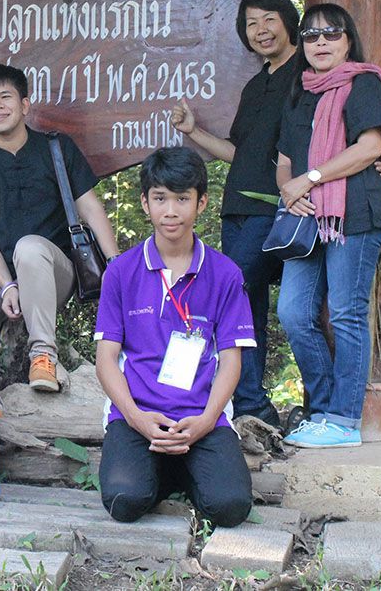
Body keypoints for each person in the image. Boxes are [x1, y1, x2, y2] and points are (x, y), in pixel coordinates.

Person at [94, 146, 255, 526]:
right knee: (123, 501)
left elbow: (232, 360)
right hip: (137, 415)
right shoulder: (120, 272)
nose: (171, 211)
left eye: (182, 199)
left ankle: (183, 466)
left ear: (201, 203)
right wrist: (136, 418)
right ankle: (159, 467)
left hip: (201, 418)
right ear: (145, 203)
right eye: (160, 198)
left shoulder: (225, 273)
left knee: (231, 507)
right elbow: (106, 360)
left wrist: (205, 421)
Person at [275, 3, 381, 449]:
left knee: (347, 313)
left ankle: (343, 421)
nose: (320, 43)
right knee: (293, 312)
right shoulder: (299, 91)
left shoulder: (363, 83)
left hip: (354, 214)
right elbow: (285, 164)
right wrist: (290, 192)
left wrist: (310, 180)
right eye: (311, 36)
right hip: (307, 220)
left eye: (331, 34)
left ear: (348, 39)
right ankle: (323, 410)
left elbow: (371, 147)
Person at [0, 64, 119, 410]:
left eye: (5, 97)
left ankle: (43, 358)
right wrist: (6, 286)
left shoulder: (56, 148)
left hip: (53, 270)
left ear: (25, 105)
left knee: (29, 248)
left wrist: (116, 265)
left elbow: (91, 209)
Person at [170, 0, 301, 429]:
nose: (260, 30)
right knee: (248, 303)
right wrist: (193, 131)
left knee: (233, 294)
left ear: (287, 20)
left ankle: (249, 401)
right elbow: (238, 152)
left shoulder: (308, 71)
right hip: (240, 207)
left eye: (268, 19)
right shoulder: (256, 83)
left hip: (281, 206)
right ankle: (250, 404)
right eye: (251, 24)